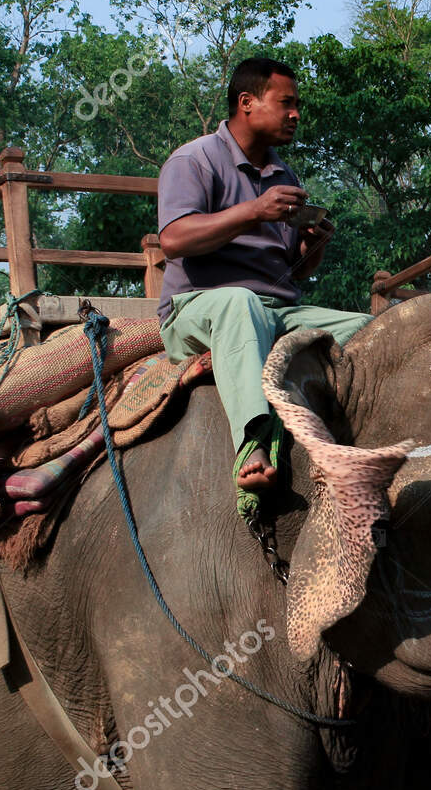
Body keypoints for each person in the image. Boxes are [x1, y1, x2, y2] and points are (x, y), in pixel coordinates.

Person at [156, 56, 371, 498]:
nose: (296, 115)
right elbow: (174, 239)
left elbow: (295, 269)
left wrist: (315, 245)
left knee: (371, 329)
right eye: (286, 103)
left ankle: (372, 440)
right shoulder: (194, 161)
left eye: (298, 105)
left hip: (278, 310)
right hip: (200, 308)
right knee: (241, 303)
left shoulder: (283, 174)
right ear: (247, 103)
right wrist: (255, 210)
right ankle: (252, 444)